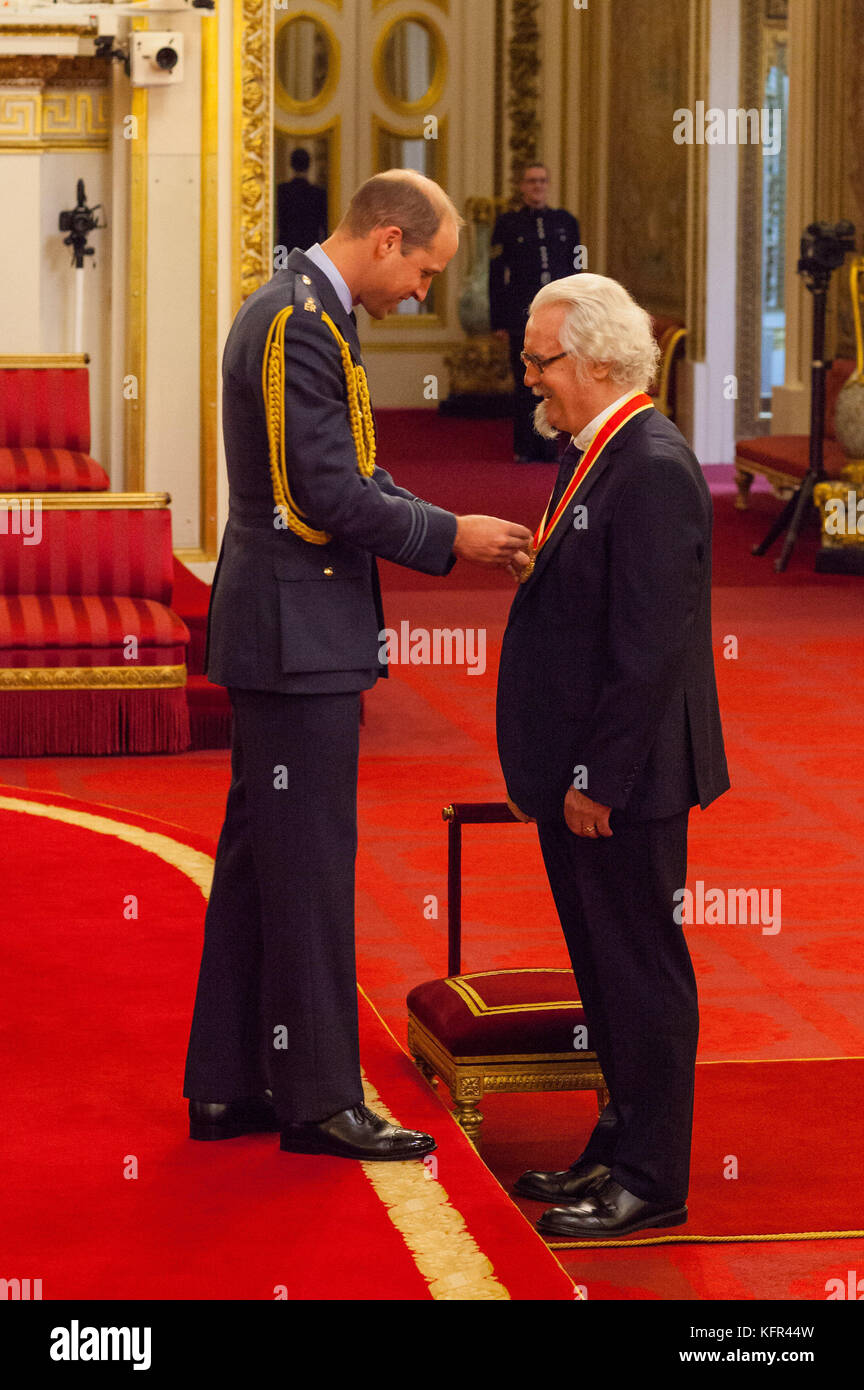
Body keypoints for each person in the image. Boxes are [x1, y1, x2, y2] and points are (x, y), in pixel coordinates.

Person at [183, 170, 533, 1164]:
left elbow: (350, 466)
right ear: (387, 238)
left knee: (260, 863)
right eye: (424, 271)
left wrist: (428, 517)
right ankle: (323, 1098)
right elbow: (329, 489)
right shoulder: (299, 321)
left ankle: (227, 1082)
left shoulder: (302, 310)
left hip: (289, 626)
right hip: (296, 634)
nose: (422, 293)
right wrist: (449, 533)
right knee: (308, 868)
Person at [496, 272, 729, 1236]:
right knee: (603, 969)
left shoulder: (654, 463)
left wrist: (598, 778)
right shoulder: (599, 451)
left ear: (595, 361)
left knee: (641, 972)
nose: (530, 382)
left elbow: (651, 648)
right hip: (584, 775)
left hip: (623, 782)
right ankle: (617, 1142)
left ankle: (652, 1179)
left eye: (540, 363)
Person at [488, 163, 581, 463]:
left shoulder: (565, 222)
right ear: (523, 187)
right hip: (520, 318)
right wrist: (498, 319)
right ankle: (525, 447)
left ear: (548, 184)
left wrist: (578, 312)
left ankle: (551, 446)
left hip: (560, 318)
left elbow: (577, 270)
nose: (537, 186)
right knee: (525, 382)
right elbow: (495, 274)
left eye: (542, 181)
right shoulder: (507, 224)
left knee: (556, 381)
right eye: (531, 181)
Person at [276, 147, 328, 255]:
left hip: (285, 246)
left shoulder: (282, 191)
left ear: (291, 164)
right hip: (310, 248)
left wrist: (278, 260)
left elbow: (278, 225)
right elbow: (324, 227)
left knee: (283, 271)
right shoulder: (318, 193)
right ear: (309, 165)